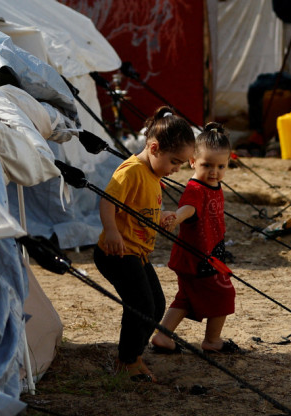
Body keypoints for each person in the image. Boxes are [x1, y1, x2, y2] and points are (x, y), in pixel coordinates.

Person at [93, 106, 195, 382]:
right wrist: (111, 231)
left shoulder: (152, 174)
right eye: (175, 162)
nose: (176, 169)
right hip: (117, 252)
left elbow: (138, 207)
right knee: (139, 304)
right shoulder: (132, 171)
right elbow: (107, 201)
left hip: (137, 253)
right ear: (154, 147)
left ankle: (133, 355)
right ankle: (126, 361)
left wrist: (161, 216)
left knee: (156, 305)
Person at [149, 122, 241, 355]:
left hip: (205, 254)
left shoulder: (214, 184)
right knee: (224, 293)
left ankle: (162, 335)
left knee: (185, 297)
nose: (214, 171)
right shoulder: (195, 189)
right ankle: (212, 340)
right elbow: (189, 208)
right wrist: (177, 218)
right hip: (198, 258)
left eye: (221, 166)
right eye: (207, 165)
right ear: (192, 162)